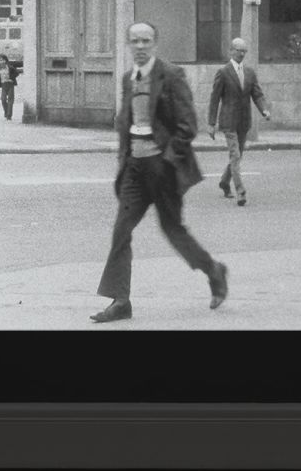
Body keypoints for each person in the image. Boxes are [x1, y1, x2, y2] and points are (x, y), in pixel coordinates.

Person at [90, 21, 229, 323]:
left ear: (155, 44)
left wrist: (167, 159)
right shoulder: (129, 78)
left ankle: (213, 270)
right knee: (120, 232)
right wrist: (125, 158)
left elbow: (188, 125)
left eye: (146, 41)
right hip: (135, 169)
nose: (140, 47)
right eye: (135, 41)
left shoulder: (171, 75)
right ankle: (121, 301)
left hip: (162, 168)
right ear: (128, 44)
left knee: (173, 230)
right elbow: (126, 122)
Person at [207, 36, 270, 205]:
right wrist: (211, 123)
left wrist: (264, 109)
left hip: (244, 121)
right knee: (235, 155)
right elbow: (214, 99)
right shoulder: (223, 72)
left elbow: (257, 94)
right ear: (231, 51)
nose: (241, 54)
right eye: (238, 50)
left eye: (244, 51)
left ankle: (224, 182)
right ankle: (240, 191)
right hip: (228, 121)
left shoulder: (249, 72)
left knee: (238, 156)